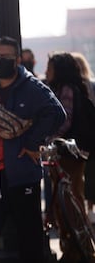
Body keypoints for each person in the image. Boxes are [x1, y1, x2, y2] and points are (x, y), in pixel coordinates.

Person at [0, 36, 66, 263]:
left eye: (6, 57)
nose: (0, 61)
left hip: (23, 175)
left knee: (30, 238)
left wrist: (32, 142)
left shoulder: (33, 88)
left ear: (17, 60)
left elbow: (57, 114)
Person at [45, 51, 94, 262]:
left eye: (50, 67)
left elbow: (65, 119)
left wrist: (48, 139)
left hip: (69, 153)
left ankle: (82, 249)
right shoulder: (72, 87)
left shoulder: (65, 89)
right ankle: (73, 248)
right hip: (74, 153)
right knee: (69, 198)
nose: (47, 71)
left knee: (71, 199)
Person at [71, 51, 95, 223]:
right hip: (81, 136)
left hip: (89, 134)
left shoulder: (89, 85)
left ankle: (90, 208)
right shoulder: (72, 87)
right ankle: (88, 209)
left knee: (90, 173)